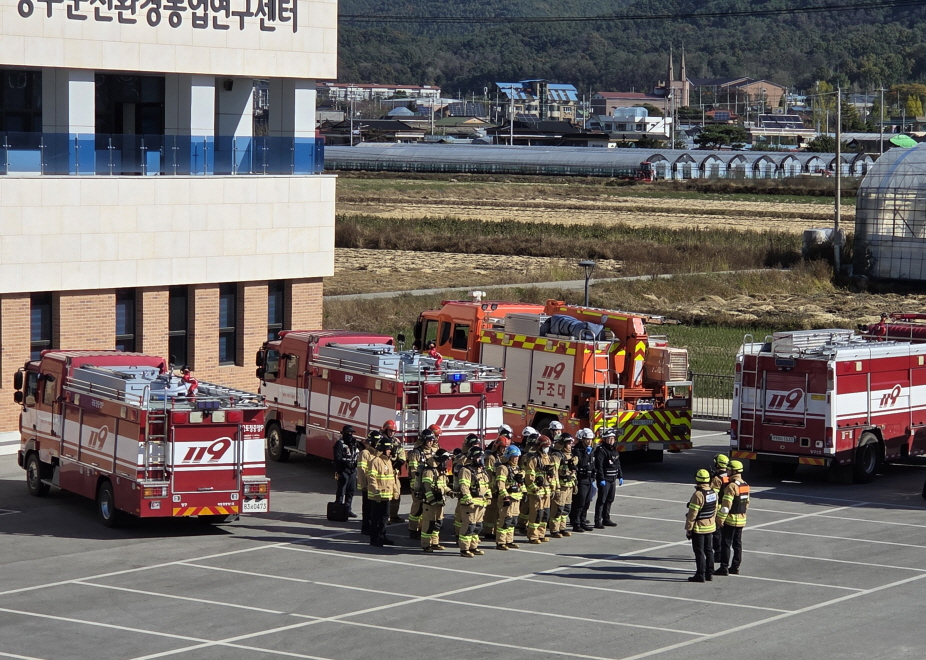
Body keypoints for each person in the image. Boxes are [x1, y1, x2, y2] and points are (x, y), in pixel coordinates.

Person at [454, 445, 492, 557]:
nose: (481, 459)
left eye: (482, 457)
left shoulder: (482, 471)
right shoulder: (466, 470)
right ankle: (464, 549)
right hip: (470, 504)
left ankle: (473, 547)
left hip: (481, 503)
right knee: (469, 526)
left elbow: (486, 485)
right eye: (479, 457)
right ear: (473, 458)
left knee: (478, 526)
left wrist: (489, 496)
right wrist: (468, 500)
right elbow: (464, 487)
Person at [715, 460, 750, 576]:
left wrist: (720, 520)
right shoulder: (745, 485)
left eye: (728, 470)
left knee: (726, 543)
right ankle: (735, 567)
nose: (727, 471)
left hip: (730, 520)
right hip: (741, 519)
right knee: (737, 544)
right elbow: (747, 503)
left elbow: (726, 506)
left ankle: (724, 567)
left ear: (733, 471)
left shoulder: (731, 486)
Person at [366, 432, 398, 547]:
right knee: (376, 518)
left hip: (387, 495)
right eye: (388, 449)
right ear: (382, 449)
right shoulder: (375, 461)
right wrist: (376, 491)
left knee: (384, 517)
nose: (390, 451)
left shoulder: (388, 461)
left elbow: (391, 478)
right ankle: (375, 539)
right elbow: (371, 477)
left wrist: (395, 491)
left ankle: (382, 536)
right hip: (377, 495)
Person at [685, 469, 717, 583]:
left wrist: (689, 529)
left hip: (699, 528)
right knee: (709, 550)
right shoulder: (713, 492)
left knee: (699, 552)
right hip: (710, 526)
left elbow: (692, 514)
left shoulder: (698, 494)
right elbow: (715, 509)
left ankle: (700, 574)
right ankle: (709, 573)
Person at [524, 434, 556, 544]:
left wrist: (553, 488)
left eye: (548, 447)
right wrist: (534, 489)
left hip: (547, 491)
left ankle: (541, 534)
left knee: (545, 514)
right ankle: (533, 536)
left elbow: (552, 475)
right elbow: (529, 476)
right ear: (540, 447)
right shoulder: (533, 459)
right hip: (537, 492)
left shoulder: (549, 458)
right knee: (536, 514)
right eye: (545, 447)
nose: (547, 449)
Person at [420, 449, 453, 552]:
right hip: (430, 503)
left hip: (439, 502)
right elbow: (427, 487)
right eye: (444, 460)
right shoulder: (429, 471)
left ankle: (435, 543)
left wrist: (450, 492)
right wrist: (431, 500)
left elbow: (443, 485)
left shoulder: (440, 471)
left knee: (438, 523)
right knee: (428, 524)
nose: (445, 462)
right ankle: (426, 544)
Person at [407, 428, 438, 538]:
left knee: (426, 507)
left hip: (428, 483)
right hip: (417, 484)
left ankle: (422, 527)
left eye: (432, 440)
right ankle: (413, 529)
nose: (431, 442)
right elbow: (414, 471)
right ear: (423, 440)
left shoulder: (433, 451)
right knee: (417, 507)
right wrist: (418, 486)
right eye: (428, 440)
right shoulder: (416, 453)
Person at [483, 426, 512, 540]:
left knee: (500, 512)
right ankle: (488, 531)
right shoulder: (491, 457)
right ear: (498, 447)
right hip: (493, 487)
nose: (504, 449)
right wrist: (491, 488)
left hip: (501, 487)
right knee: (491, 511)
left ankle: (496, 530)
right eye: (503, 447)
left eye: (506, 447)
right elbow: (488, 474)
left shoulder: (505, 457)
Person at [493, 445, 524, 550]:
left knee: (513, 521)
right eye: (514, 457)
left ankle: (509, 540)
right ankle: (501, 542)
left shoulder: (517, 468)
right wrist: (505, 497)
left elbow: (519, 483)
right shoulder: (503, 468)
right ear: (509, 457)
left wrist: (524, 492)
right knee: (505, 520)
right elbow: (500, 484)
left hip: (516, 498)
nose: (516, 459)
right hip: (508, 499)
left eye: (517, 457)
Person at [593, 427, 623, 528]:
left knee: (610, 499)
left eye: (613, 438)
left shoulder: (614, 450)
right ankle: (598, 521)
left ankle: (606, 518)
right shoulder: (601, 450)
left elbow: (617, 463)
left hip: (612, 479)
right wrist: (601, 479)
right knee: (602, 500)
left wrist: (620, 476)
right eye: (609, 438)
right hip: (605, 479)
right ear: (605, 439)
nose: (611, 440)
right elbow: (599, 466)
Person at [549, 434, 577, 538]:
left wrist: (575, 483)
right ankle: (554, 530)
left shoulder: (571, 455)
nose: (570, 445)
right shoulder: (557, 455)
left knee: (566, 509)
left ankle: (562, 528)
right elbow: (555, 472)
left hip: (569, 486)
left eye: (571, 443)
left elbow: (572, 471)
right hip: (561, 487)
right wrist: (556, 487)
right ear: (563, 444)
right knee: (558, 509)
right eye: (569, 443)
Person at [570, 428, 596, 533]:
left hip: (589, 479)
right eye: (587, 439)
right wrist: (586, 453)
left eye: (591, 439)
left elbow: (593, 463)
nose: (589, 441)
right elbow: (582, 463)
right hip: (581, 479)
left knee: (586, 503)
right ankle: (576, 523)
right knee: (579, 502)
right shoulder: (578, 450)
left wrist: (594, 475)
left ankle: (583, 522)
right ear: (583, 439)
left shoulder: (591, 449)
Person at [382, 420, 406, 524]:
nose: (392, 433)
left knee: (396, 494)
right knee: (386, 495)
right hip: (384, 472)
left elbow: (401, 452)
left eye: (393, 431)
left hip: (394, 472)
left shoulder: (396, 441)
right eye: (390, 430)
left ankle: (394, 516)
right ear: (385, 430)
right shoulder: (381, 440)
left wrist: (401, 460)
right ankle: (385, 516)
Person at [333, 425, 359, 517]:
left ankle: (348, 509)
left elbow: (358, 454)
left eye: (351, 433)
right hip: (343, 470)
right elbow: (337, 459)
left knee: (351, 491)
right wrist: (340, 472)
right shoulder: (339, 443)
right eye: (348, 433)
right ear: (343, 433)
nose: (350, 435)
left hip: (352, 470)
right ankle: (338, 509)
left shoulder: (355, 443)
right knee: (341, 490)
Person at [516, 427, 539, 534]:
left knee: (530, 506)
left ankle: (525, 524)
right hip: (526, 483)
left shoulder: (531, 455)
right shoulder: (527, 456)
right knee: (525, 505)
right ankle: (522, 524)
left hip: (532, 482)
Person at [710, 453, 729, 561]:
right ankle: (724, 553)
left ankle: (718, 553)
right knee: (725, 532)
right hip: (728, 506)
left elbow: (714, 495)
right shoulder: (729, 475)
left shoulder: (717, 478)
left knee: (716, 532)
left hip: (719, 507)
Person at [356, 433, 376, 535]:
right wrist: (364, 485)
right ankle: (366, 527)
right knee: (367, 508)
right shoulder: (365, 453)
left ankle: (372, 526)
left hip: (374, 485)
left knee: (373, 508)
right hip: (367, 486)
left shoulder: (376, 453)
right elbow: (361, 470)